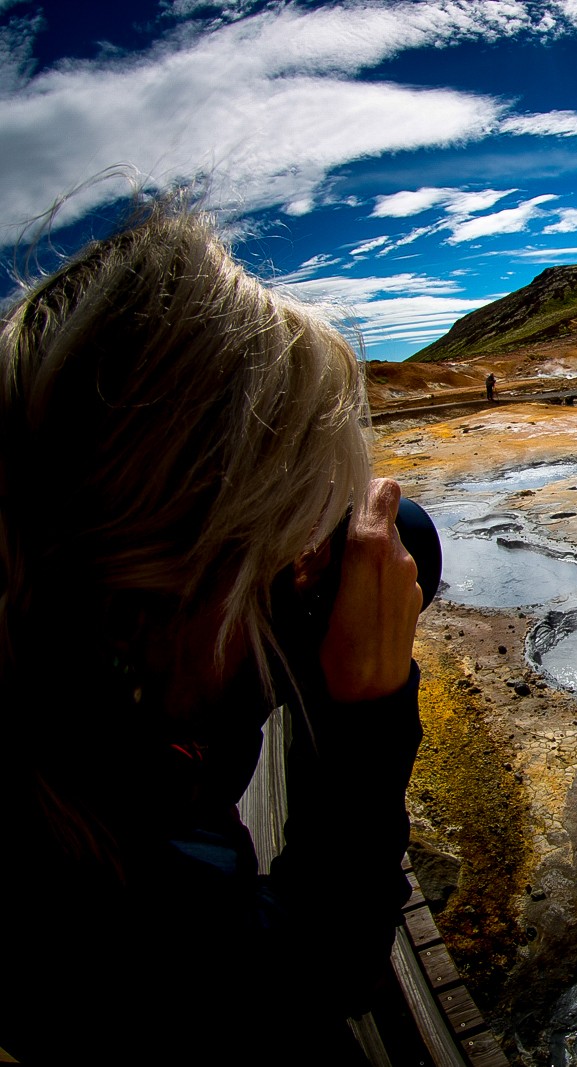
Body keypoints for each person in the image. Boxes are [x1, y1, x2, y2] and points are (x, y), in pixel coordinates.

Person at [0, 202, 424, 1063]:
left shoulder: (99, 676)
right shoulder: (79, 908)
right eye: (292, 546)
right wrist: (366, 711)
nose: (315, 574)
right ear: (178, 570)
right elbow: (313, 969)